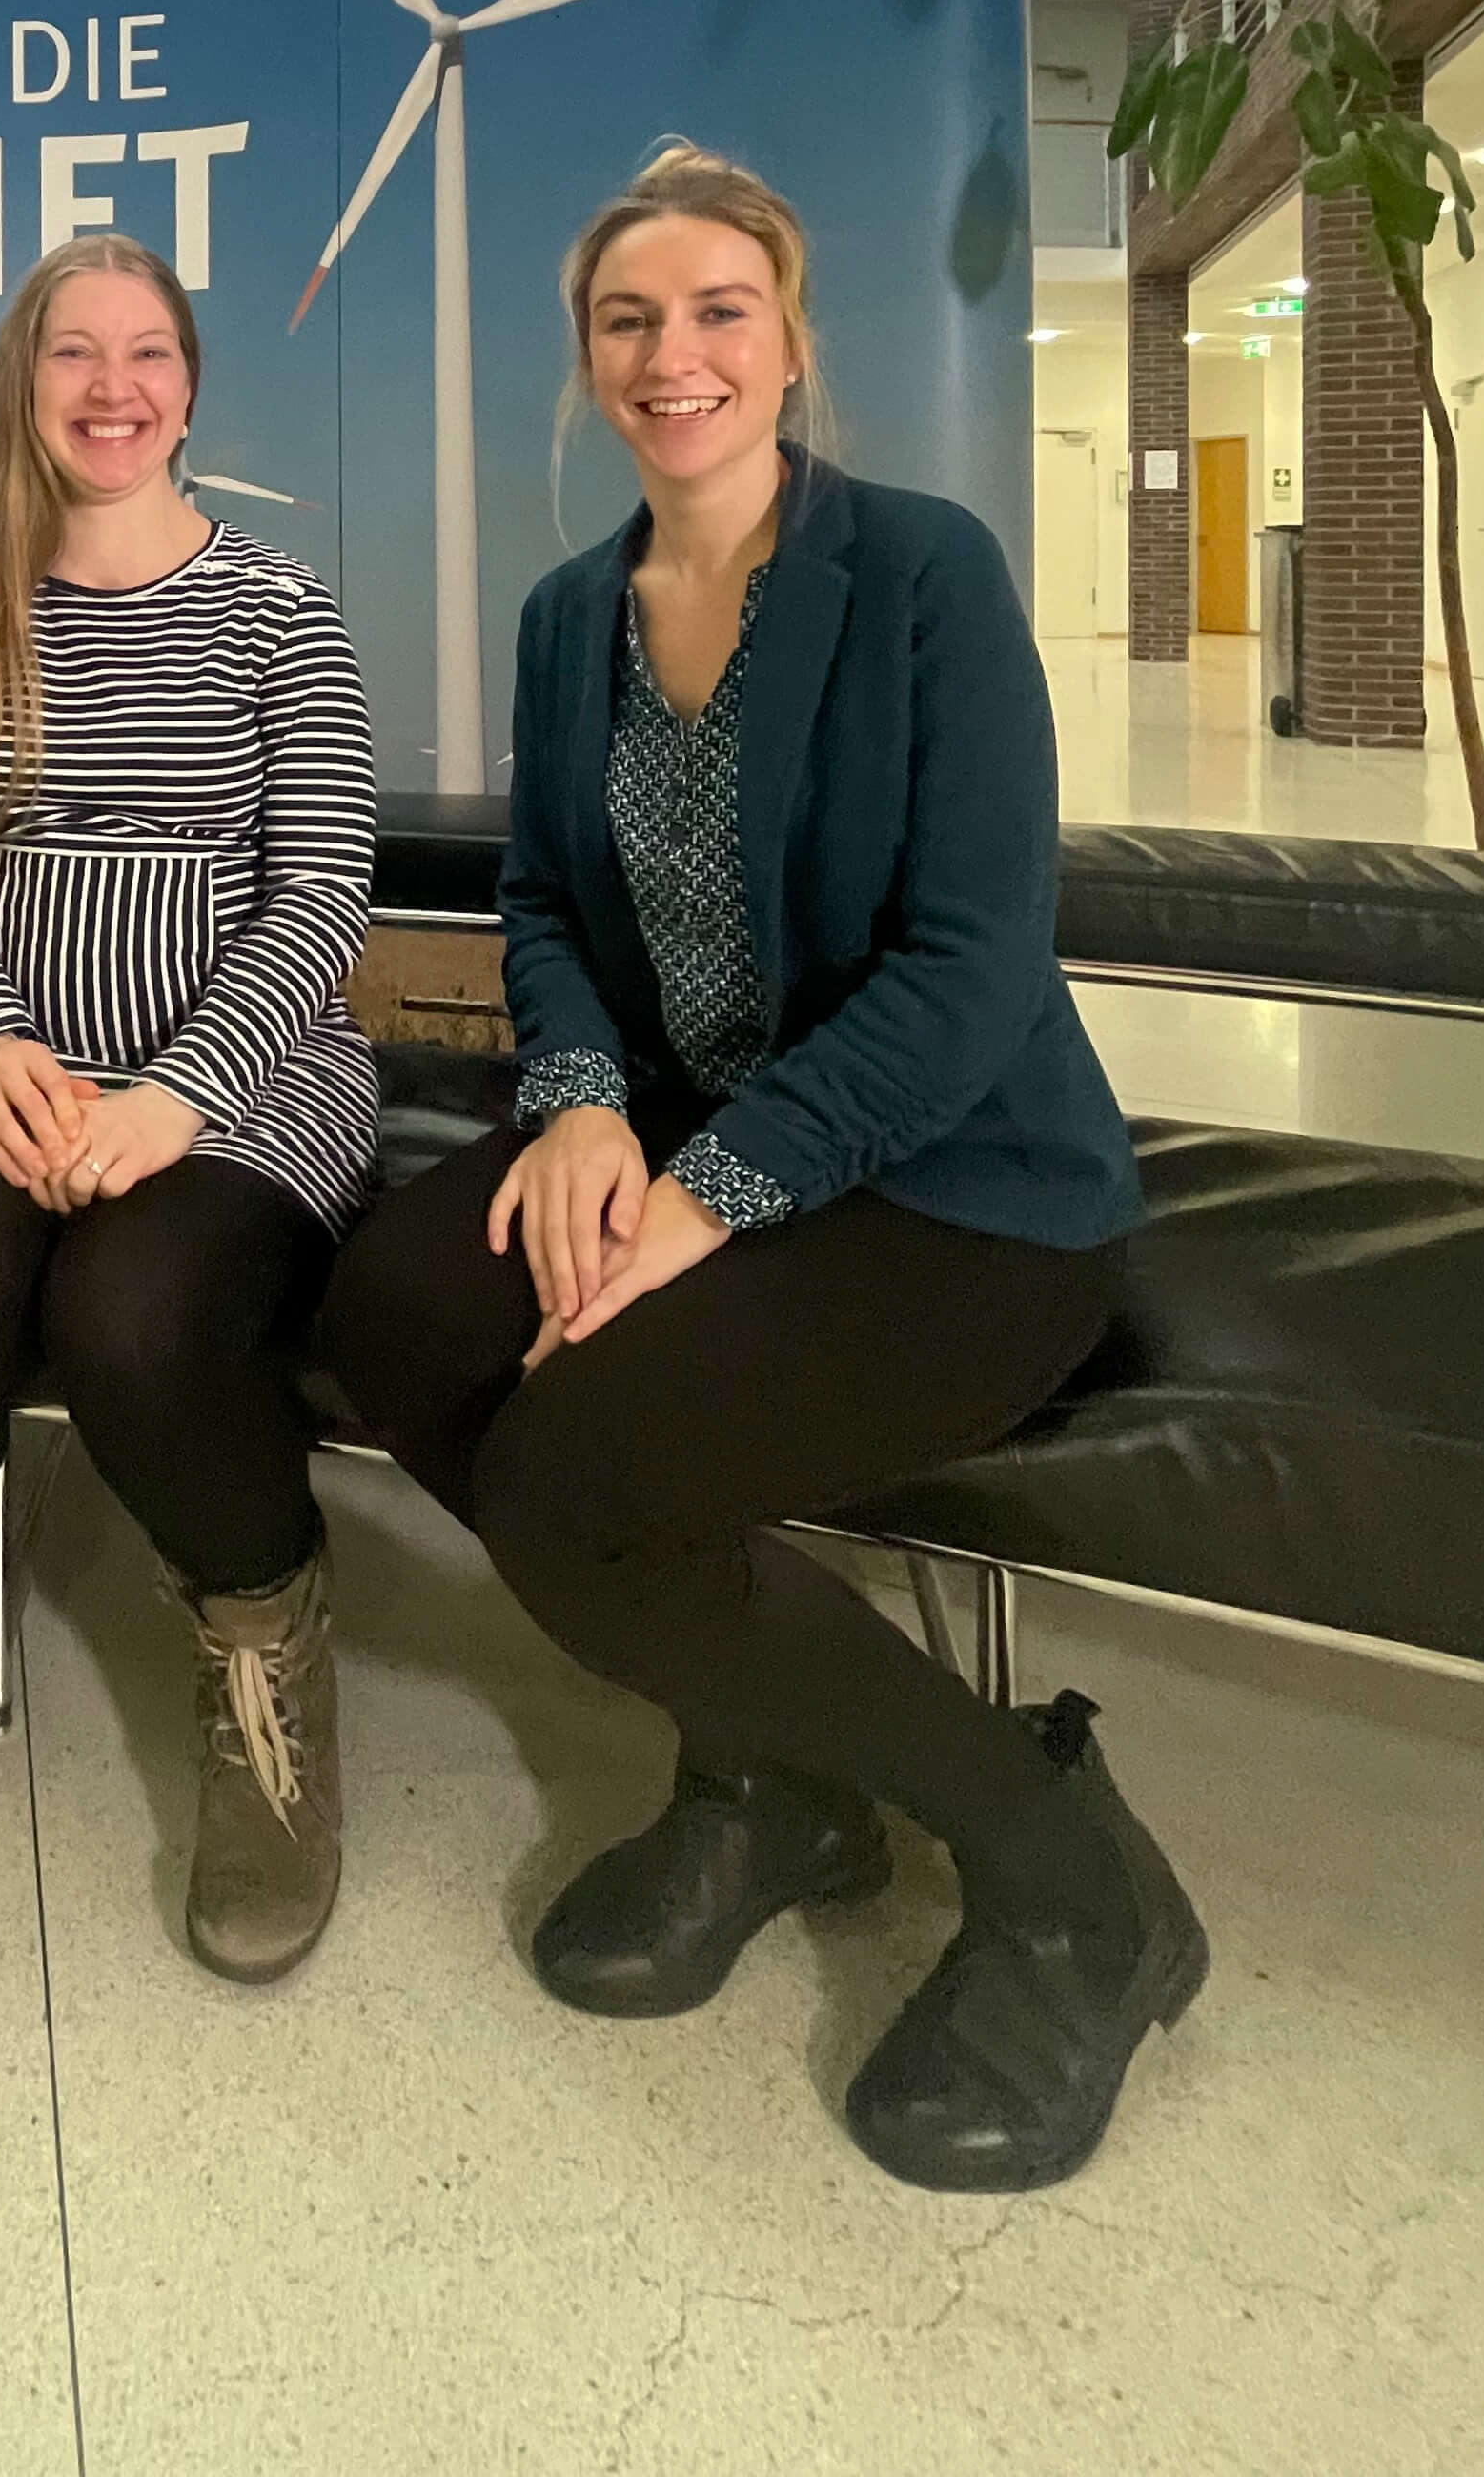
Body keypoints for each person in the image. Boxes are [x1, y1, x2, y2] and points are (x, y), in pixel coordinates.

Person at [322, 142, 1205, 2192]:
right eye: (629, 320)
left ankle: (1070, 1874)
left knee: (579, 1478)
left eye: (720, 311)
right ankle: (780, 1780)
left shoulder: (923, 576)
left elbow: (976, 966)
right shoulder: (572, 618)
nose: (675, 353)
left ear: (792, 346)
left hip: (958, 1193)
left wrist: (708, 1199)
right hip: (676, 1133)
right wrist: (581, 1103)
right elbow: (549, 905)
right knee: (397, 1308)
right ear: (587, 362)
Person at [0, 235, 377, 1981]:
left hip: (244, 1082)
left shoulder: (279, 607)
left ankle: (266, 1649)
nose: (111, 388)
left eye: (146, 354)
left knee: (132, 1314)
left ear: (189, 387)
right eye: (72, 354)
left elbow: (322, 895)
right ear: (21, 387)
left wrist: (180, 1097)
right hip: (8, 1065)